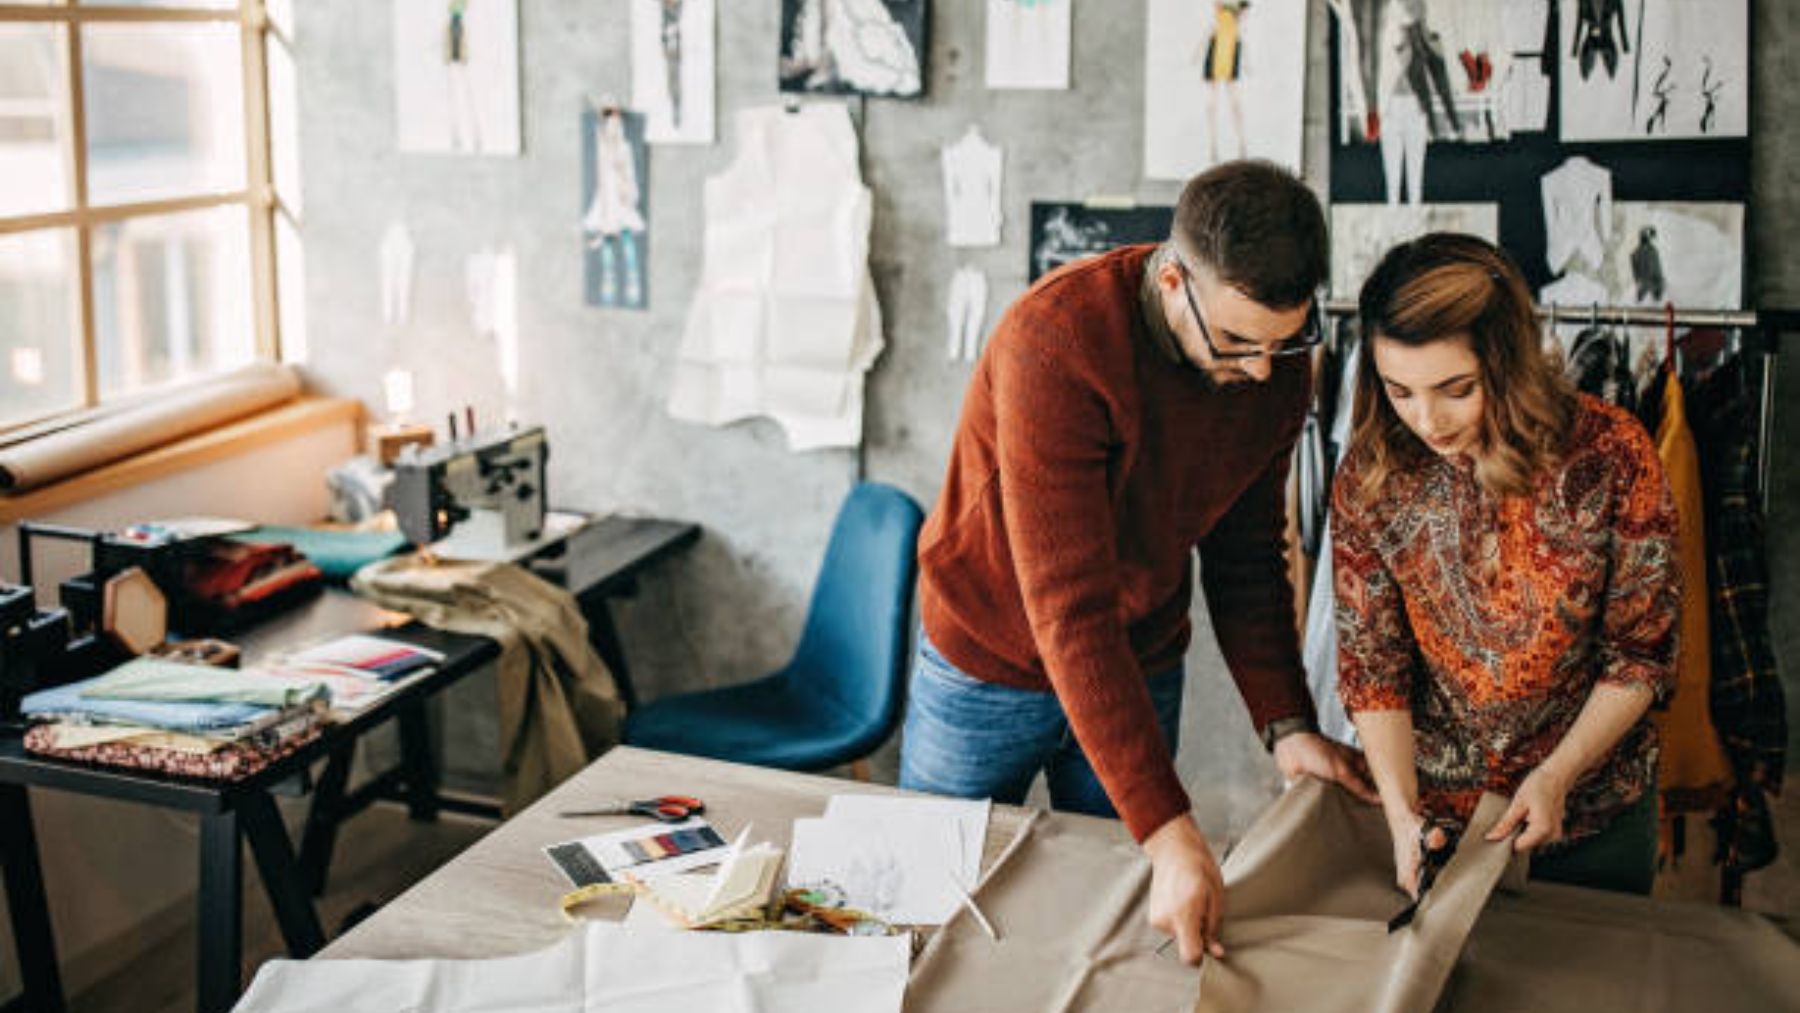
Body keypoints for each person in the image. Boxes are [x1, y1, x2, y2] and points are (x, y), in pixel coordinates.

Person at [900, 160, 1378, 965]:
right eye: (1234, 341)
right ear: (1169, 280)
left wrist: (1288, 722)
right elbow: (1069, 607)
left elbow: (1248, 557)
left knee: (1122, 919)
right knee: (929, 909)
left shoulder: (1277, 363)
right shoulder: (1057, 340)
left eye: (1283, 340)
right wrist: (1168, 827)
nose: (1261, 369)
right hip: (987, 658)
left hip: (1141, 655)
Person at [1334, 233, 1678, 899]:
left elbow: (1641, 651)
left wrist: (1559, 773)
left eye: (1455, 388)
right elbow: (1373, 668)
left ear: (1508, 362)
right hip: (1437, 816)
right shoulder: (1375, 473)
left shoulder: (1614, 452)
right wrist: (1403, 815)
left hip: (1593, 803)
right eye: (1399, 390)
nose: (1426, 418)